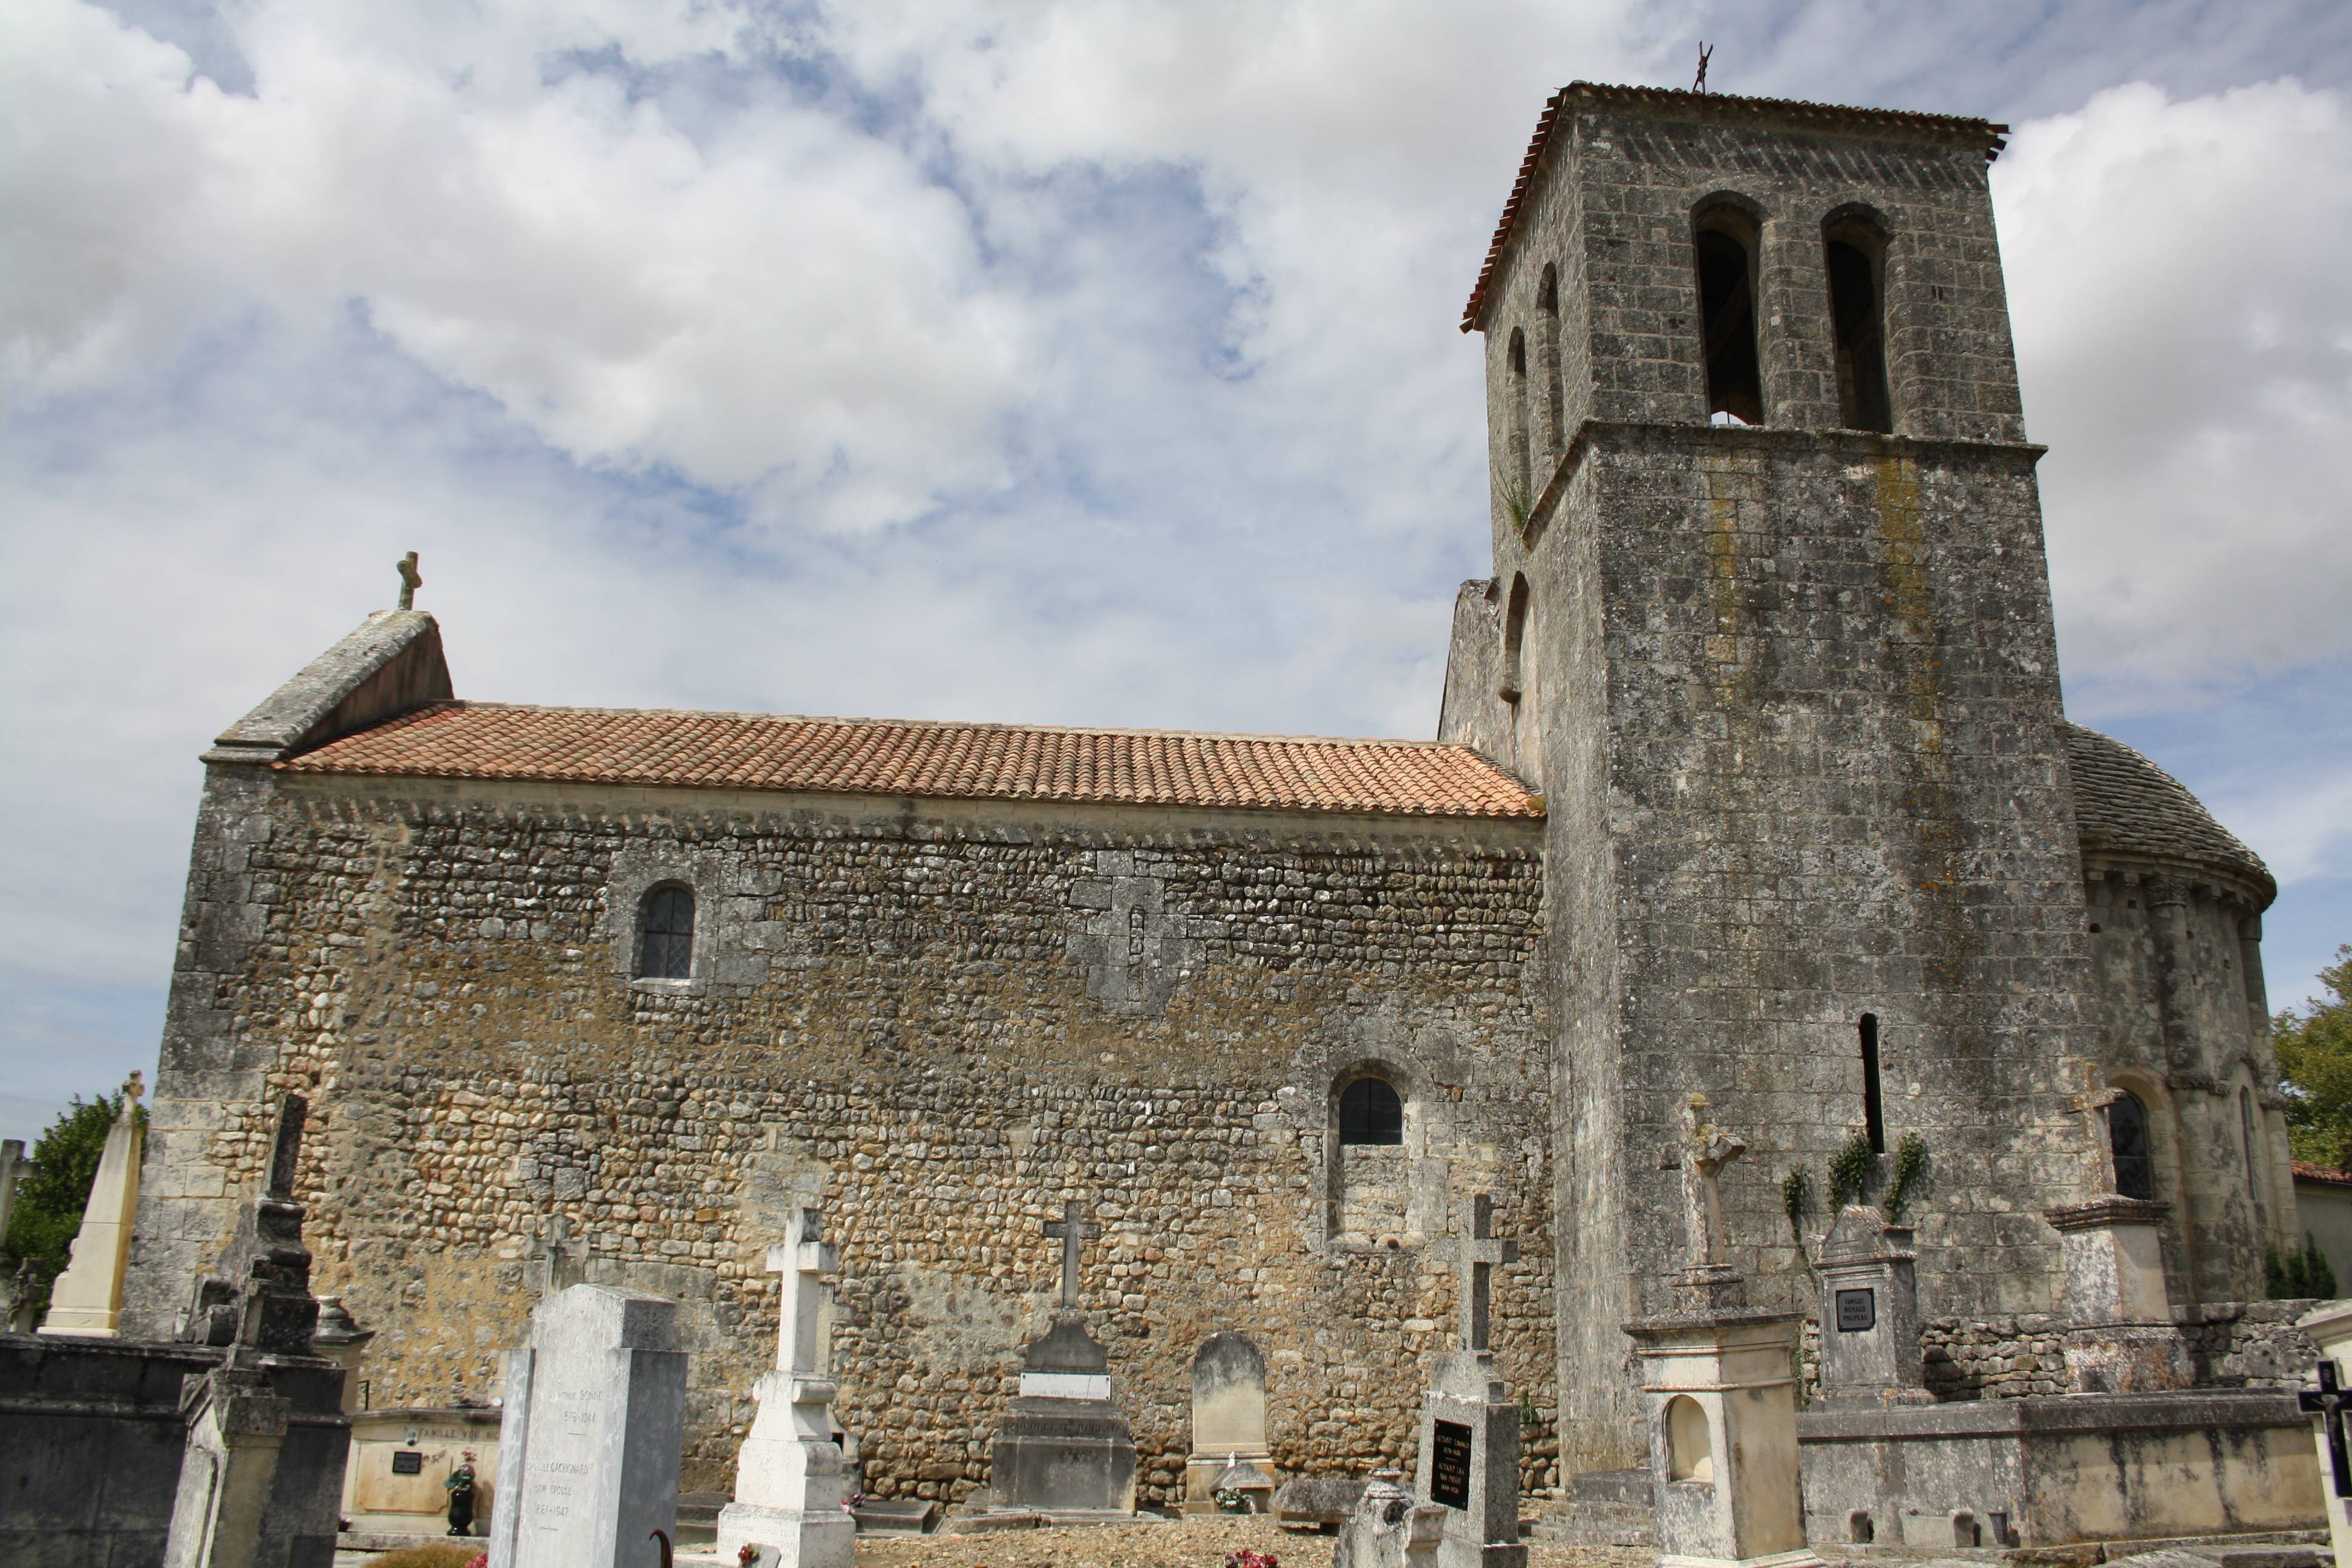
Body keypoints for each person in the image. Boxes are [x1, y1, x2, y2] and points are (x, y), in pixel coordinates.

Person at [445, 1451, 479, 1537]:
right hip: (460, 1490)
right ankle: (457, 1528)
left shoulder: (469, 1472)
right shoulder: (460, 1473)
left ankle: (461, 1528)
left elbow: (470, 1476)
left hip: (465, 1491)